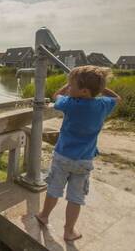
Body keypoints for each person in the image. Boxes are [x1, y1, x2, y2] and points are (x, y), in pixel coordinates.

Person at [35, 65, 121, 242]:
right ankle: (69, 231)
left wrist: (65, 89)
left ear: (82, 91)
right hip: (84, 160)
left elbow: (56, 96)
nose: (69, 87)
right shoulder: (103, 104)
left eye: (71, 85)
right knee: (76, 197)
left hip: (62, 156)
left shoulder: (69, 103)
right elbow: (116, 98)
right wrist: (99, 87)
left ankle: (44, 215)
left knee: (54, 188)